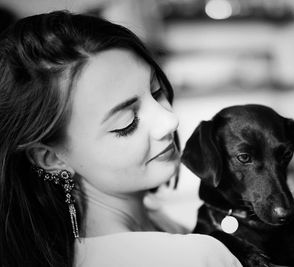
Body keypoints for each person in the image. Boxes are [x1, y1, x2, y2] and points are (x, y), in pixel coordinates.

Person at [0, 11, 242, 267]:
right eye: (126, 123)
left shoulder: (156, 223)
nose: (169, 121)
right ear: (50, 158)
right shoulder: (193, 258)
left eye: (156, 91)